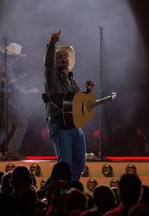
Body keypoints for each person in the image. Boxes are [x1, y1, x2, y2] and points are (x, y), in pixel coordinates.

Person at [43, 30, 96, 181]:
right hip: (58, 121)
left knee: (80, 162)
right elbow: (47, 63)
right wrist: (52, 43)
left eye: (65, 56)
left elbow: (79, 102)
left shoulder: (73, 81)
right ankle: (62, 194)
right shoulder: (51, 76)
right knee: (65, 163)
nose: (63, 58)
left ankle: (72, 189)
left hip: (74, 123)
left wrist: (88, 91)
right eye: (59, 57)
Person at [0, 42, 39, 160]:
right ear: (13, 58)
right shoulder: (5, 67)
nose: (17, 61)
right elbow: (15, 84)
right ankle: (12, 152)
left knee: (6, 127)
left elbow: (9, 78)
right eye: (17, 58)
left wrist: (20, 77)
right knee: (22, 124)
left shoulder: (1, 65)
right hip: (1, 101)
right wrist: (31, 90)